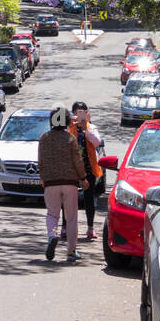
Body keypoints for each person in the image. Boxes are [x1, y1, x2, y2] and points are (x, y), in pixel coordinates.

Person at [38, 106, 88, 262]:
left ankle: (52, 236)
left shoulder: (44, 138)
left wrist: (43, 178)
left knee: (52, 214)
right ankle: (71, 251)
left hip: (51, 182)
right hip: (69, 183)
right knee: (71, 216)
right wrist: (83, 178)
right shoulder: (70, 139)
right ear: (66, 121)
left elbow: (41, 161)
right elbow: (77, 160)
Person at [68, 102, 103, 241]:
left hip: (88, 168)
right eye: (77, 112)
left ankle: (90, 228)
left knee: (89, 199)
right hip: (71, 169)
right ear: (73, 113)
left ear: (87, 114)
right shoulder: (69, 128)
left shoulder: (91, 128)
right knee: (69, 199)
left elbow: (97, 142)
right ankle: (66, 227)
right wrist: (72, 125)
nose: (80, 115)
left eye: (83, 112)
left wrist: (85, 129)